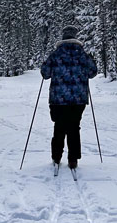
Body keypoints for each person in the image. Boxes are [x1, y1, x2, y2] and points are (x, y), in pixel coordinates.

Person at [40, 25, 98, 170]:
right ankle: (73, 159)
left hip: (57, 99)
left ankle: (56, 157)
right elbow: (92, 72)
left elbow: (45, 74)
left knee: (59, 127)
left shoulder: (55, 54)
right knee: (74, 127)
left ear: (63, 37)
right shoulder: (83, 54)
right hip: (78, 99)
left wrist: (44, 64)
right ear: (75, 37)